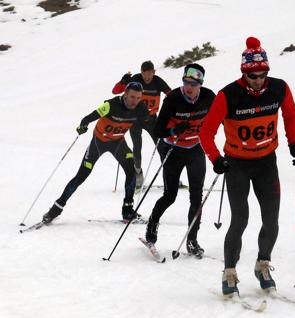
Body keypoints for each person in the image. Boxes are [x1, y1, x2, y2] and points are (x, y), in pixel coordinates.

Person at [199, 36, 295, 296]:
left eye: (262, 74)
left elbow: (290, 114)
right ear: (244, 72)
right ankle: (230, 271)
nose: (258, 80)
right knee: (240, 219)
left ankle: (262, 264)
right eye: (252, 75)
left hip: (267, 162)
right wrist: (215, 158)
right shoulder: (228, 95)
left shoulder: (279, 88)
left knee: (272, 220)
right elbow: (206, 132)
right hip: (237, 165)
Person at [42, 82, 150, 224]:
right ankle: (55, 209)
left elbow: (150, 124)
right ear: (125, 94)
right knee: (81, 176)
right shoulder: (111, 105)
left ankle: (128, 211)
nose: (134, 101)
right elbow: (88, 118)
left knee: (131, 171)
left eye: (138, 98)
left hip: (118, 143)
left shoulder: (141, 108)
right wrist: (83, 126)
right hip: (98, 143)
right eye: (132, 97)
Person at [144, 63, 215, 258]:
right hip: (173, 149)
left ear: (200, 84)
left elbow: (220, 118)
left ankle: (192, 240)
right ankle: (152, 226)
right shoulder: (173, 99)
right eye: (185, 82)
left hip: (195, 149)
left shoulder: (209, 97)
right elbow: (157, 131)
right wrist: (174, 131)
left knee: (196, 198)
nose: (188, 87)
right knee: (170, 196)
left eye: (193, 83)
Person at [112, 61, 172, 189]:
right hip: (135, 119)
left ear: (153, 72)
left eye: (149, 73)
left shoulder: (158, 81)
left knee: (162, 147)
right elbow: (115, 91)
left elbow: (171, 95)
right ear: (141, 72)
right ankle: (138, 174)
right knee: (137, 146)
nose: (147, 77)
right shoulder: (135, 80)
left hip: (151, 119)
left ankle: (170, 176)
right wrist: (123, 81)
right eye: (144, 73)